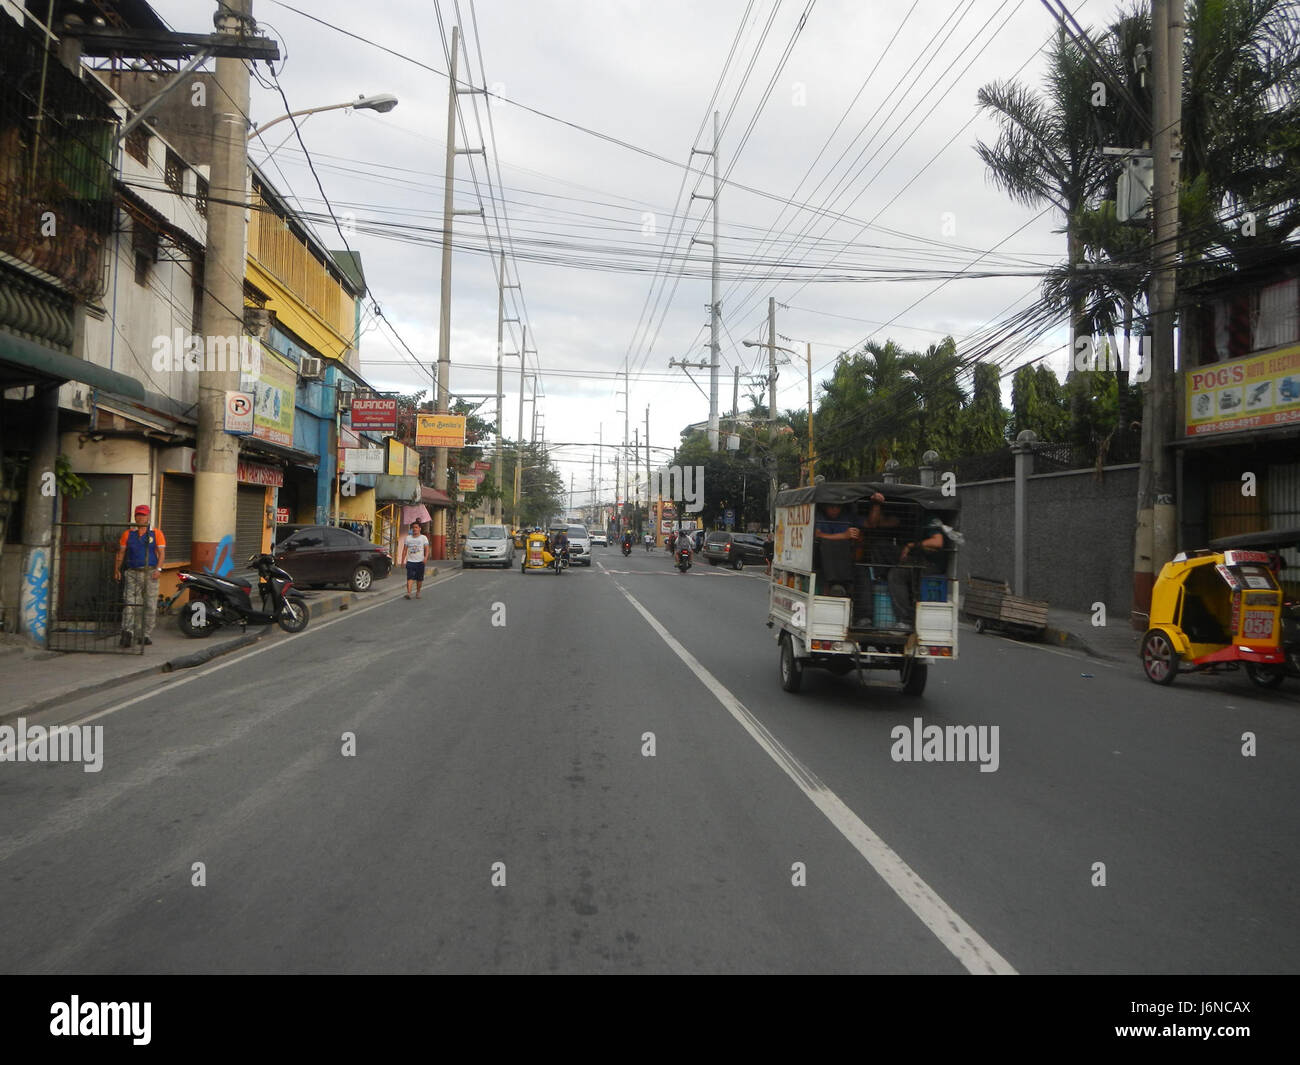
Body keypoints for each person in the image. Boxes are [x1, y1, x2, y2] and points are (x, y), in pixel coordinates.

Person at [115, 504, 166, 647]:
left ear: (148, 517)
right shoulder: (128, 534)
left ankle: (144, 634)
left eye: (143, 515)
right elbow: (121, 553)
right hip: (133, 573)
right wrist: (117, 569)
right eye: (138, 515)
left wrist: (159, 569)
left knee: (150, 605)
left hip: (151, 573)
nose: (140, 517)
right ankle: (127, 632)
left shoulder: (156, 533)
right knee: (130, 604)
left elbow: (161, 554)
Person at [400, 520, 431, 599]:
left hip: (420, 562)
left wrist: (425, 558)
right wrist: (403, 561)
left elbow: (427, 549)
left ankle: (418, 592)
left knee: (419, 579)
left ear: (420, 528)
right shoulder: (408, 538)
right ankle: (409, 593)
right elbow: (404, 550)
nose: (415, 529)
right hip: (410, 561)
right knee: (409, 578)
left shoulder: (424, 538)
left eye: (416, 527)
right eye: (413, 527)